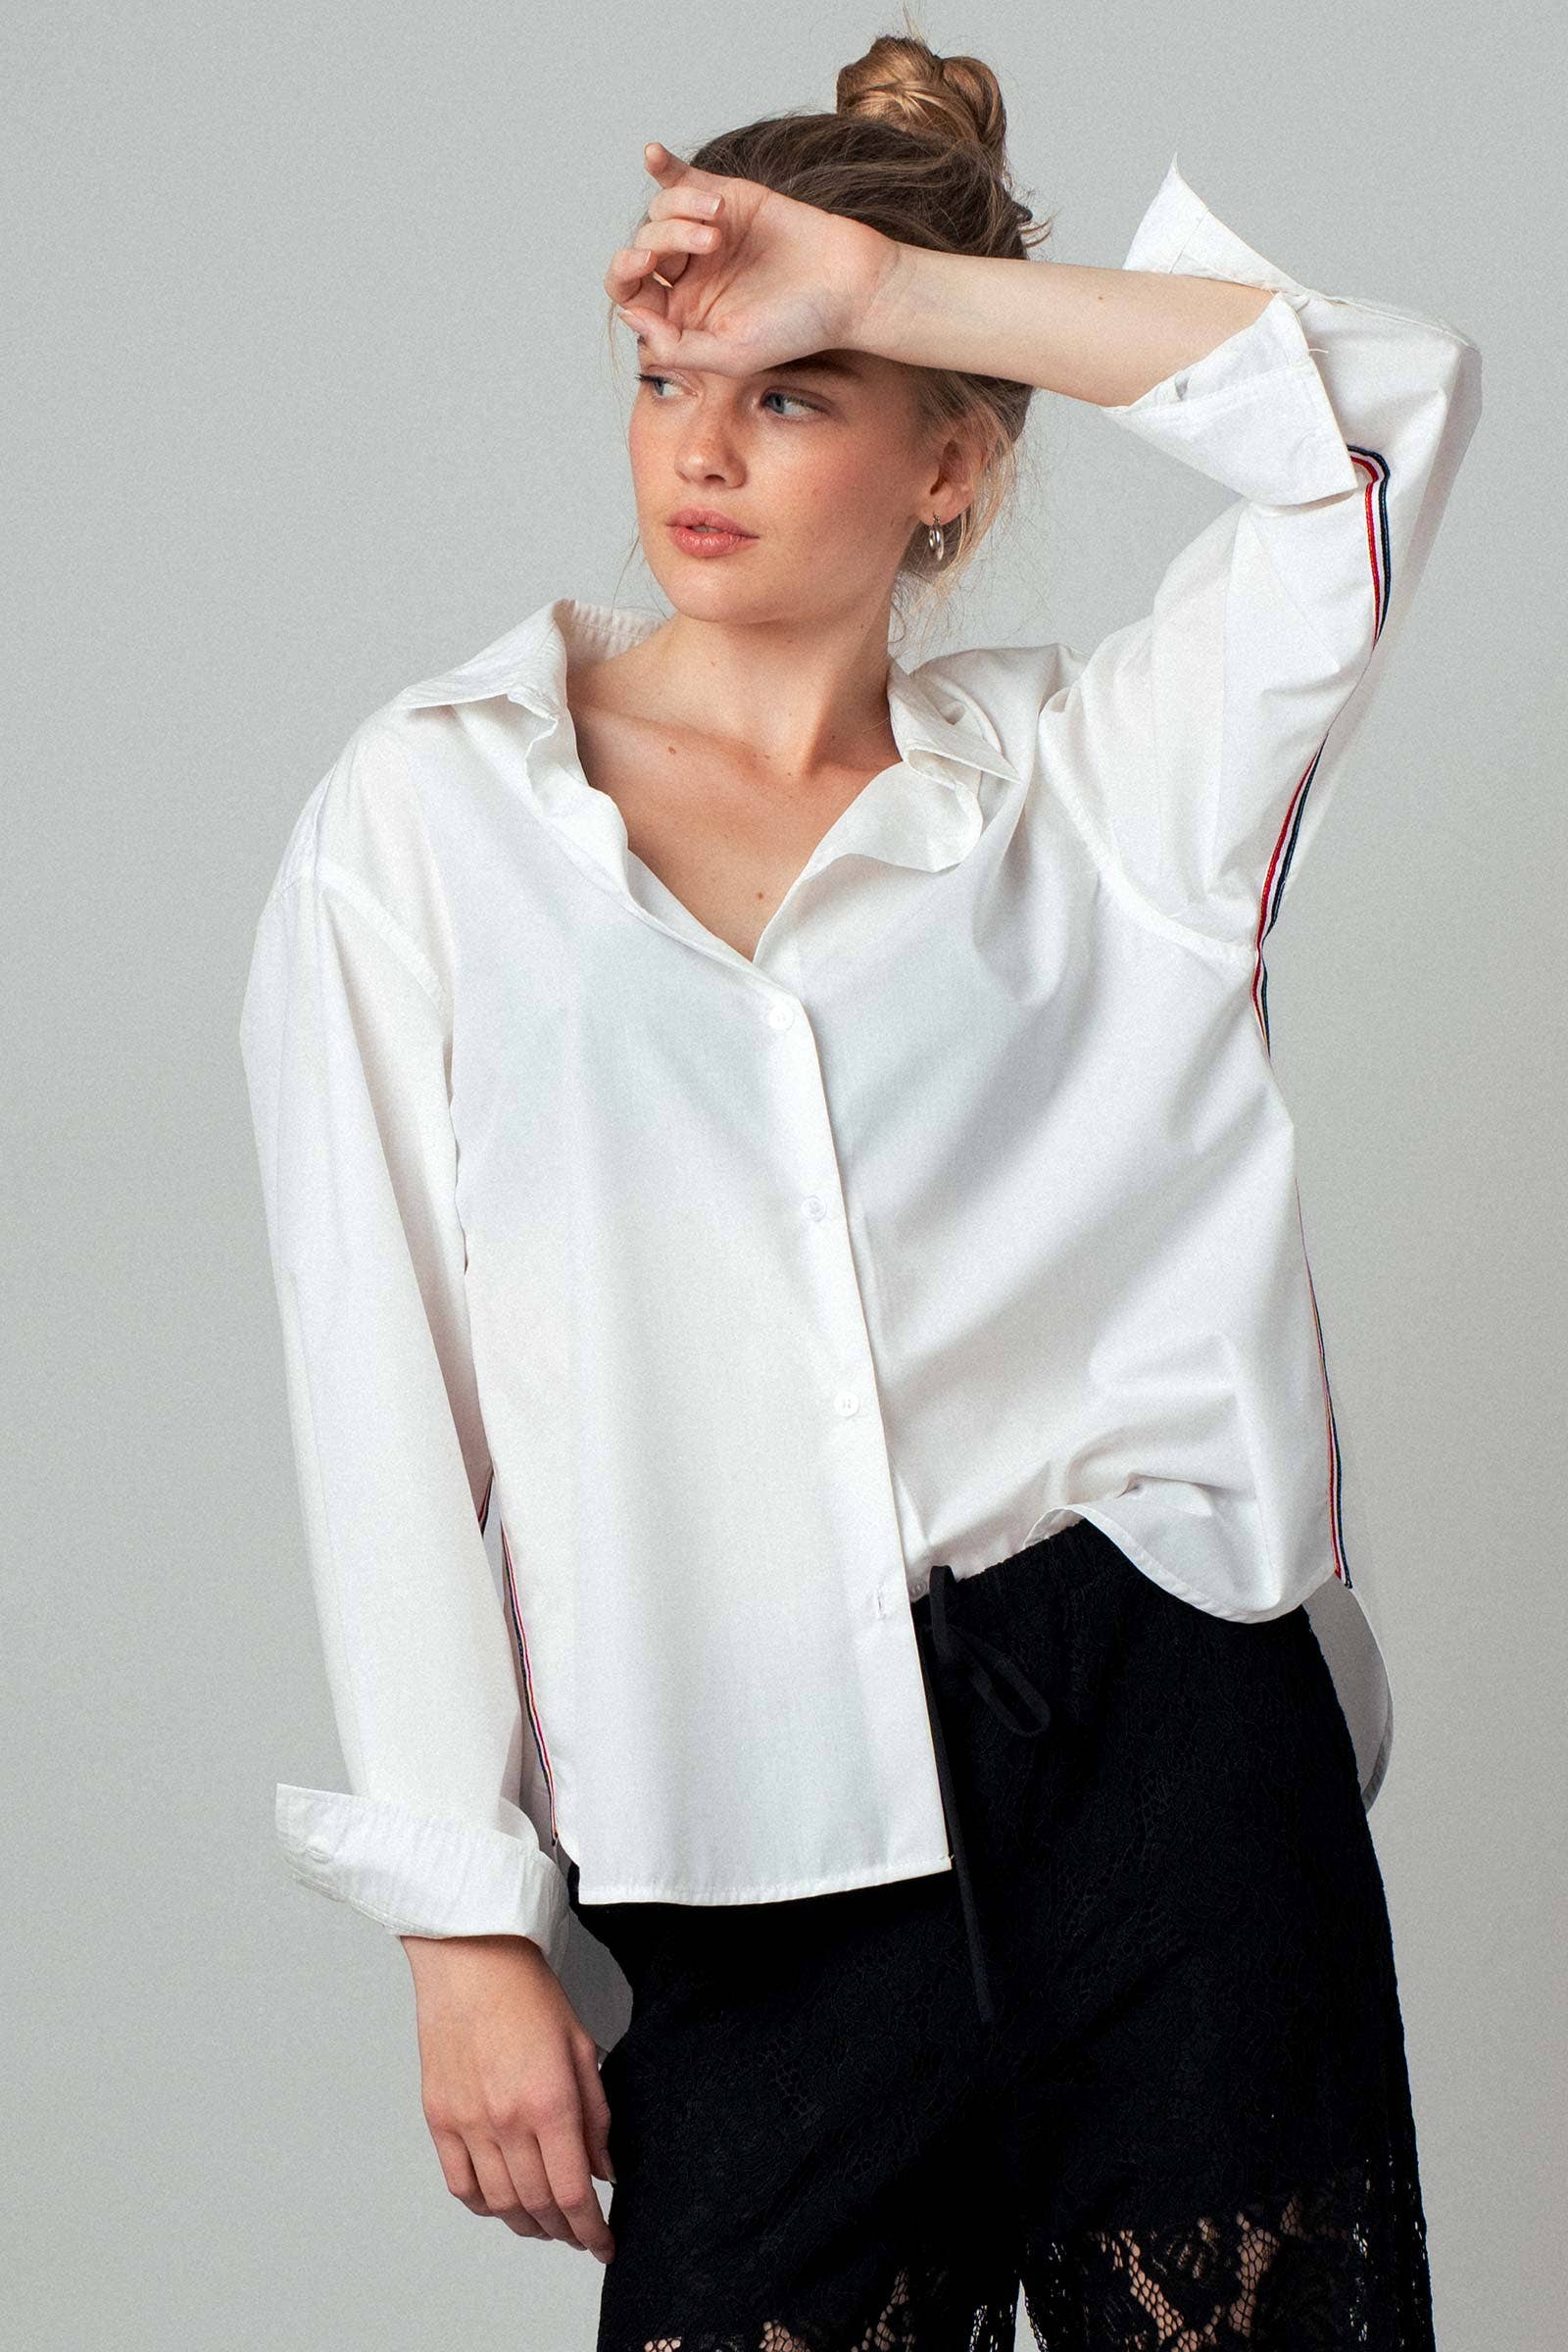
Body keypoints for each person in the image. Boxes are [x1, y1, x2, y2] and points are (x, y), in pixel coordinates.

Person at [238, 24, 1481, 2350]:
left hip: (1166, 1749)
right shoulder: (432, 818)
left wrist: (894, 287)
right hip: (739, 1803)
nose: (696, 448)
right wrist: (459, 1920)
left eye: (790, 389)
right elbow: (380, 1379)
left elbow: (1379, 424)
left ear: (949, 465)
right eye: (664, 380)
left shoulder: (1102, 790)